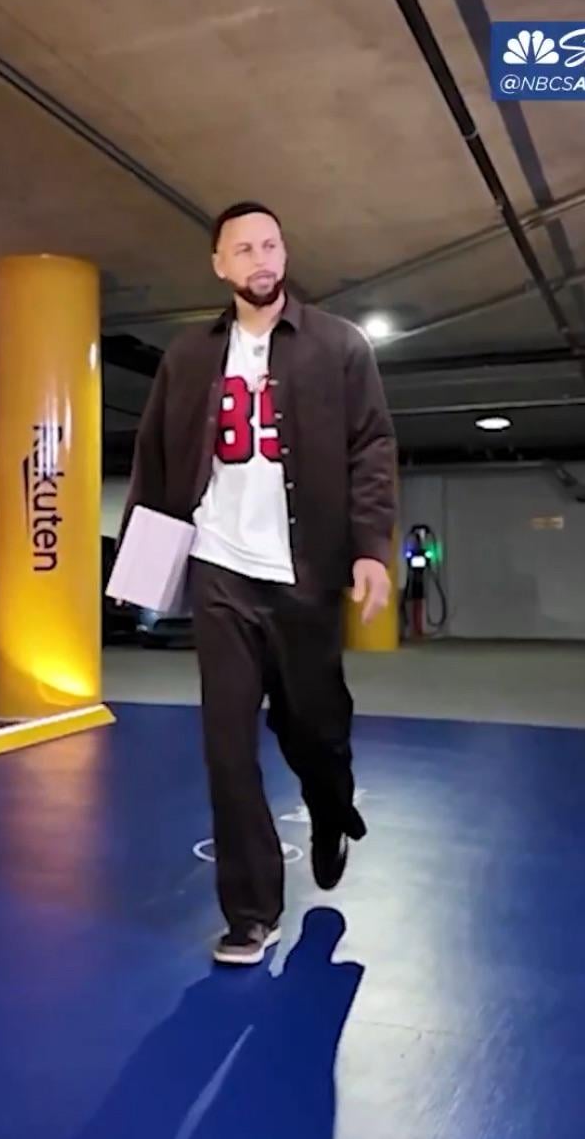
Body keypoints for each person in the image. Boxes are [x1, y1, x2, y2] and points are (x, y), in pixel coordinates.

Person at [120, 201, 398, 965]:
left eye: (270, 244)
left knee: (314, 727)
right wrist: (144, 565)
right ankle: (251, 911)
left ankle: (330, 807)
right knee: (227, 744)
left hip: (305, 573)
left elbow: (372, 448)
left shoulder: (339, 345)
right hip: (221, 570)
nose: (260, 258)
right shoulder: (187, 356)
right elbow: (155, 457)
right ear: (220, 265)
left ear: (285, 253)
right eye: (243, 248)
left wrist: (371, 548)